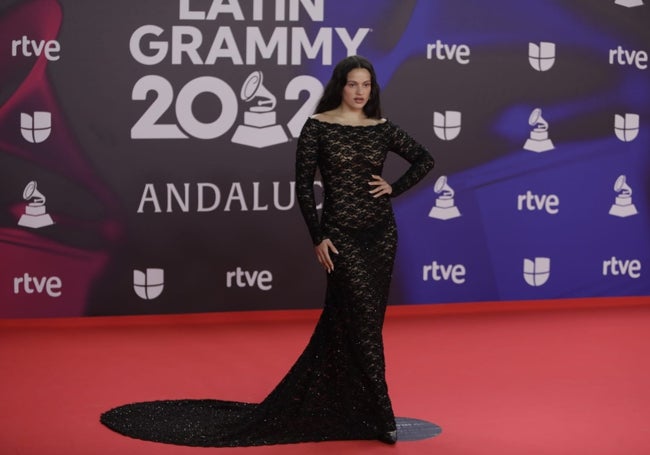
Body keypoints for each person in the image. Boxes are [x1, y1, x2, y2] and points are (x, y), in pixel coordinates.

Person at [100, 55, 434, 447]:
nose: (360, 92)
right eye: (353, 84)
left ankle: (353, 406)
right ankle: (381, 412)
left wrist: (394, 186)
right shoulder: (318, 127)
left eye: (366, 85)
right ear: (339, 86)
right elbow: (303, 187)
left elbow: (425, 159)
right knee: (359, 323)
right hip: (339, 235)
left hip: (380, 236)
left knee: (359, 323)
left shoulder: (381, 128)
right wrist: (318, 237)